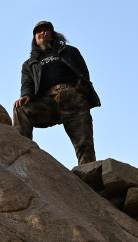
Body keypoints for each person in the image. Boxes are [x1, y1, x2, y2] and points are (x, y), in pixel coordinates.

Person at [13, 20, 100, 165]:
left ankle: (89, 181)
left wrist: (83, 91)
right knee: (21, 109)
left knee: (85, 146)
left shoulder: (70, 51)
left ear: (52, 35)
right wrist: (26, 95)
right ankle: (21, 156)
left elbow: (83, 72)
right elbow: (27, 83)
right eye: (38, 32)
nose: (42, 33)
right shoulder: (29, 63)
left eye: (46, 30)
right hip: (48, 100)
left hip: (74, 98)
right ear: (35, 38)